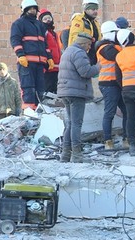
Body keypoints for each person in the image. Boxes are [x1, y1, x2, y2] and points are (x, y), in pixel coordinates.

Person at [57, 33, 100, 163]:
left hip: (66, 92)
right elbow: (86, 72)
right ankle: (76, 155)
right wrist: (98, 67)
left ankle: (65, 154)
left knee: (70, 123)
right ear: (83, 43)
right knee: (76, 124)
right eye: (88, 45)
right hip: (76, 93)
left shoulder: (67, 51)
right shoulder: (79, 53)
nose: (89, 48)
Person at [10, 0, 52, 109]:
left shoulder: (40, 25)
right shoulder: (19, 24)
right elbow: (15, 40)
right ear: (25, 10)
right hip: (26, 63)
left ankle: (40, 111)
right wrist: (20, 55)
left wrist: (49, 57)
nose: (33, 11)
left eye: (34, 9)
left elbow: (44, 44)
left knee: (40, 90)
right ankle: (29, 114)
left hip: (40, 63)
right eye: (30, 9)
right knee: (28, 88)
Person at [97, 20, 127, 150]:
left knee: (126, 111)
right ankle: (108, 140)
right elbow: (119, 56)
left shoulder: (112, 46)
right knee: (109, 113)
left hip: (116, 83)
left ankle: (126, 139)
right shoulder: (105, 48)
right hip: (108, 83)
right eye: (115, 32)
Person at [68, 0, 101, 64]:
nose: (95, 11)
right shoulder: (79, 20)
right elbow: (75, 36)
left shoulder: (96, 23)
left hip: (94, 55)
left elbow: (99, 38)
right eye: (93, 9)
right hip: (81, 54)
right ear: (86, 9)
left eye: (96, 9)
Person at [39, 9, 61, 95]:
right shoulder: (43, 31)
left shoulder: (54, 33)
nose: (48, 20)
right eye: (45, 19)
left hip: (56, 66)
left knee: (55, 90)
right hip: (48, 67)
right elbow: (43, 46)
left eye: (49, 18)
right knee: (48, 91)